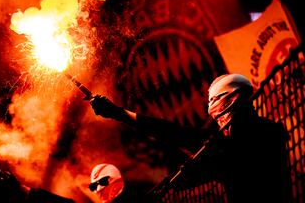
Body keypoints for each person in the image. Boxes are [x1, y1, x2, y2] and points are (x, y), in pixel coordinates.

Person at [89, 73, 292, 203]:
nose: (211, 108)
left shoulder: (256, 137)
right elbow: (175, 133)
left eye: (214, 101)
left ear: (232, 100)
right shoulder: (257, 134)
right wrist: (118, 113)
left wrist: (118, 113)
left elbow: (177, 134)